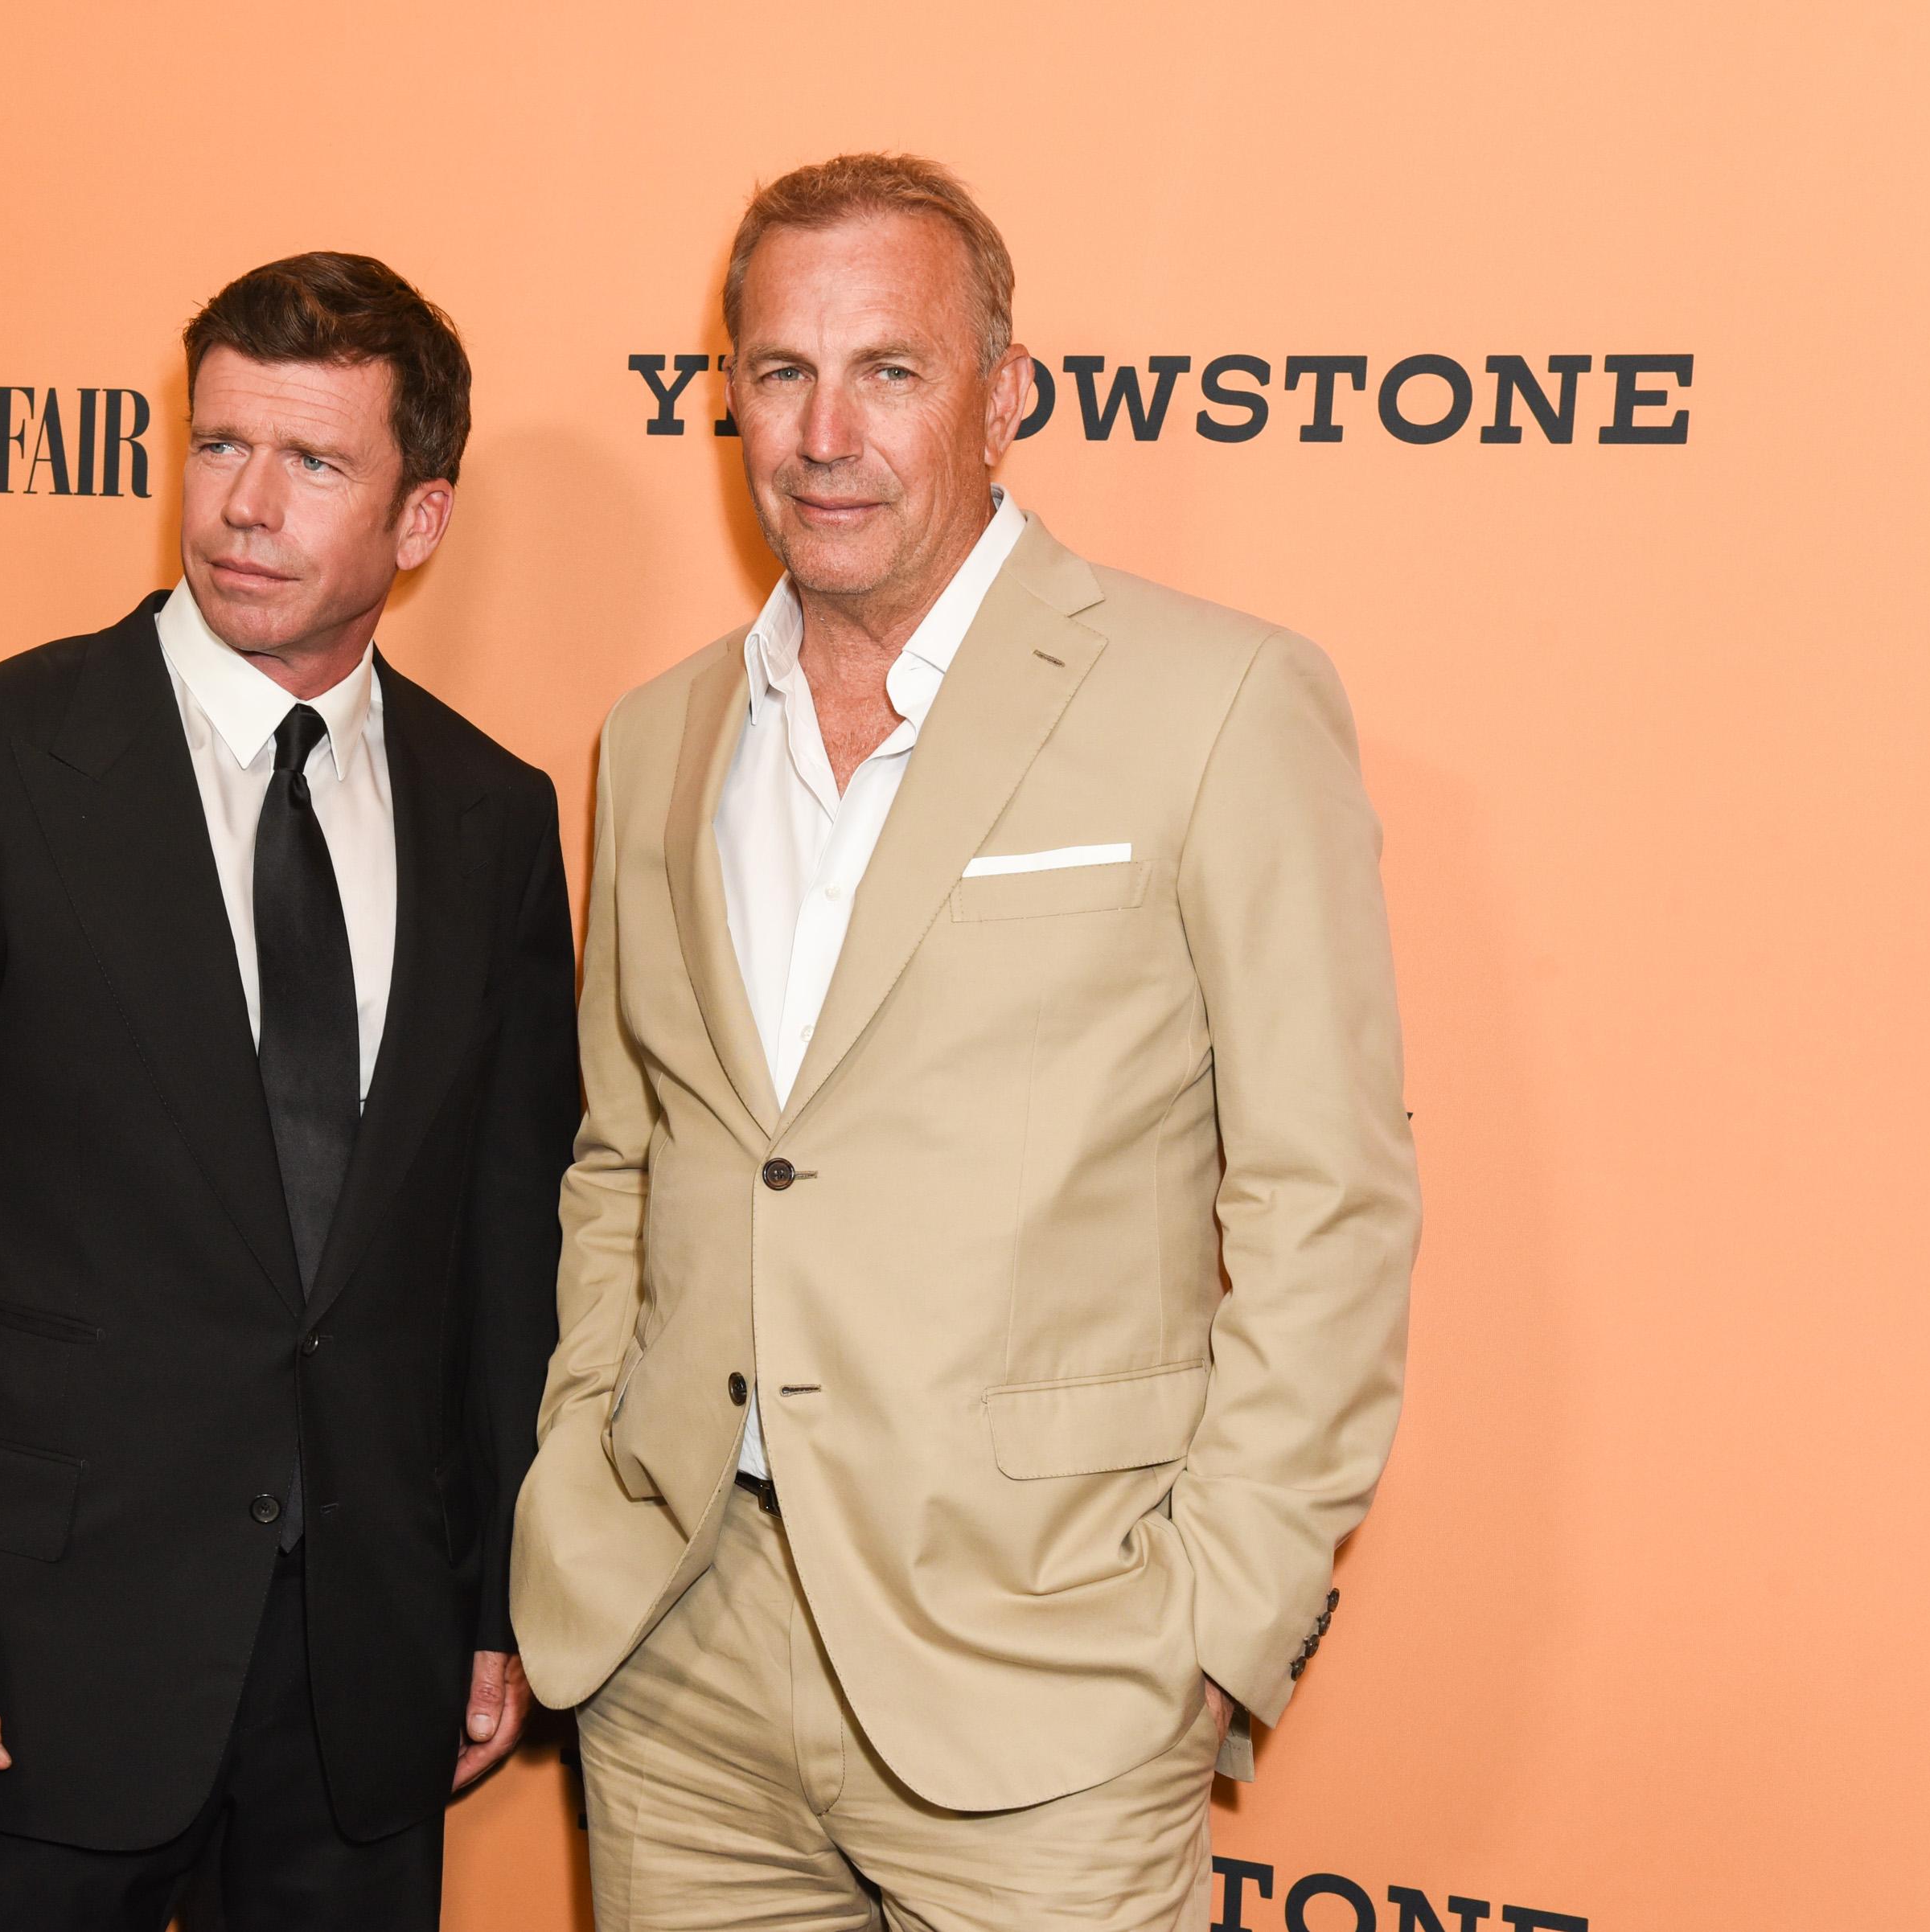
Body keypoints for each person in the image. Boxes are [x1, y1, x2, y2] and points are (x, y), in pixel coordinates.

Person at [510, 154, 1421, 1931]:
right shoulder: (659, 735)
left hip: (1048, 1664)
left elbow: (1330, 1191)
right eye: (781, 372)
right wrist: (583, 1461)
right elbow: (626, 1152)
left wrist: (1223, 1616)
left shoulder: (1215, 699)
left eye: (891, 371)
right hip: (684, 1652)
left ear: (1008, 395)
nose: (824, 431)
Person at [0, 252, 580, 1931]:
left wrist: (500, 1592)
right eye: (218, 447)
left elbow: (506, 1245)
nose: (244, 507)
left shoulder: (489, 816)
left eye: (314, 463)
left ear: (420, 520)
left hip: (364, 1684)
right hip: (25, 1681)